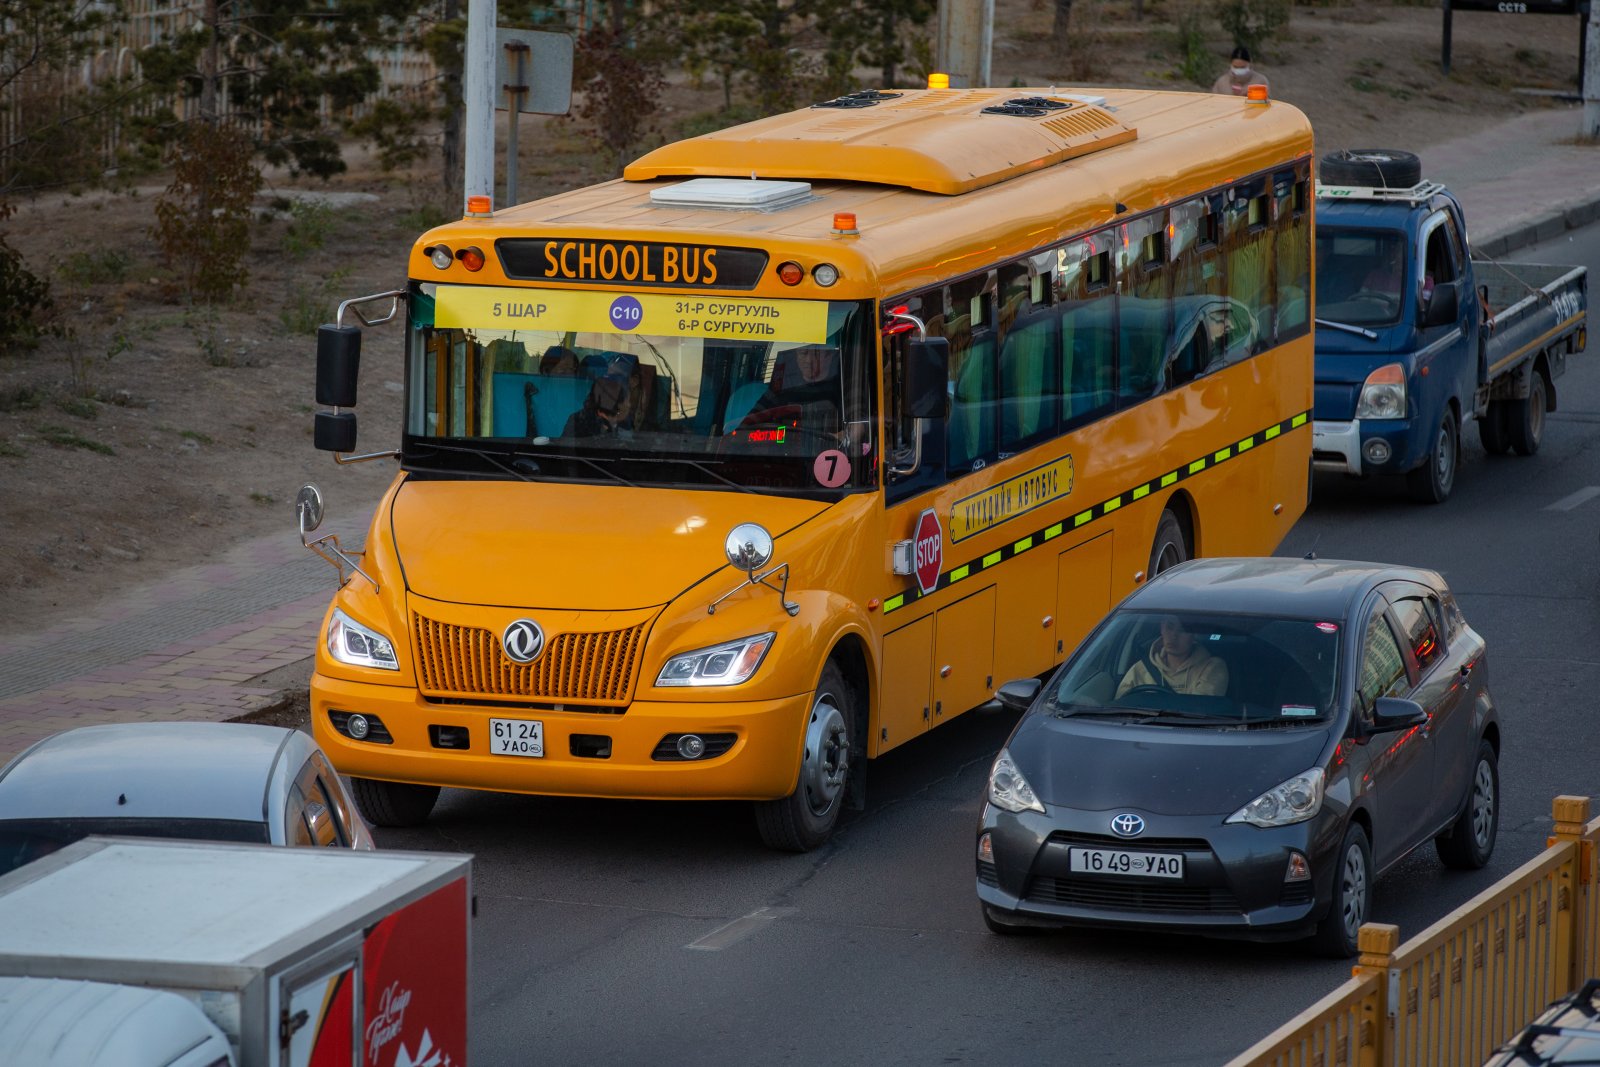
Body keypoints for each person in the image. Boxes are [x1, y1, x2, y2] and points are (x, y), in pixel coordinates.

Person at [1116, 615, 1230, 697]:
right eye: (1169, 627)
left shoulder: (1212, 667)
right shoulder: (1140, 669)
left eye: (1182, 630)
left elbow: (1200, 710)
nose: (1174, 636)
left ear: (1193, 635)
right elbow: (1119, 706)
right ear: (1162, 628)